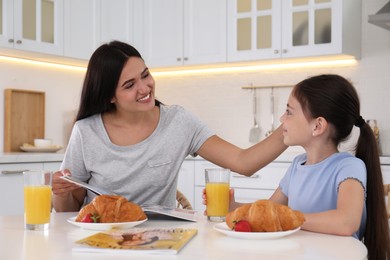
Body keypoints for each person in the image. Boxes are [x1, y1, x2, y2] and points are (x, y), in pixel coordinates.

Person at [52, 40, 287, 212]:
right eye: (130, 84)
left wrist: (289, 127)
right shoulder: (86, 131)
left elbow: (243, 163)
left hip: (158, 238)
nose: (144, 88)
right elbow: (67, 211)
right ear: (110, 96)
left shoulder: (178, 122)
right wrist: (60, 192)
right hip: (98, 237)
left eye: (145, 75)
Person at [210, 74, 389, 260]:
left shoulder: (348, 167)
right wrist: (233, 207)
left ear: (318, 126)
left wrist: (291, 218)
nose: (282, 118)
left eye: (289, 112)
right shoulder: (298, 165)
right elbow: (269, 212)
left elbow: (346, 222)